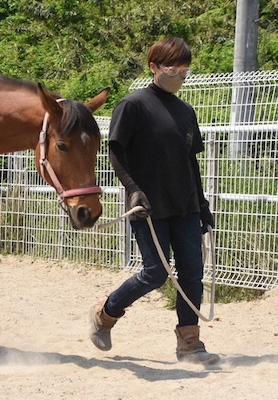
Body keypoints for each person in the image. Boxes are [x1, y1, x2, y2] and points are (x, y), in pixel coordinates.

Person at [89, 37, 220, 365]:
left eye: (185, 72)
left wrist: (202, 205)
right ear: (154, 67)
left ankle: (190, 343)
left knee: (192, 270)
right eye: (175, 70)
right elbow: (115, 151)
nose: (180, 77)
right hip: (147, 206)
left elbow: (191, 162)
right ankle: (106, 313)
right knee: (154, 273)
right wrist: (133, 188)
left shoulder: (186, 112)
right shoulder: (133, 105)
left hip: (185, 205)